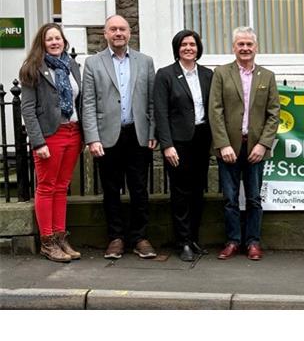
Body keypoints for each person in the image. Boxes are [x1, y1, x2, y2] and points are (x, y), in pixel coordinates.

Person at [82, 15, 157, 260]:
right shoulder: (93, 63)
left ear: (129, 33)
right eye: (113, 29)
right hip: (107, 136)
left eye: (122, 29)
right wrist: (92, 138)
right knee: (111, 189)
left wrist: (153, 131)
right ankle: (116, 238)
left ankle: (139, 237)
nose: (118, 33)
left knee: (139, 189)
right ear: (105, 33)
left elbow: (152, 101)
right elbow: (89, 103)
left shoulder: (145, 62)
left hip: (138, 134)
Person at [209, 26, 280, 261]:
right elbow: (215, 111)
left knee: (253, 198)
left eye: (249, 44)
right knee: (229, 198)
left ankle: (252, 242)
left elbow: (274, 114)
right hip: (229, 147)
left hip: (255, 148)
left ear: (256, 47)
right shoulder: (221, 73)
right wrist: (223, 144)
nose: (245, 48)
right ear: (233, 47)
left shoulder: (267, 76)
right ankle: (232, 241)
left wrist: (263, 145)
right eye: (241, 44)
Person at [19, 23, 83, 263]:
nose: (55, 42)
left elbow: (80, 101)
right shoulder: (33, 68)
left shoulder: (71, 65)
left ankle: (59, 236)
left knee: (61, 186)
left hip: (73, 132)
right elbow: (27, 109)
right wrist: (38, 142)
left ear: (64, 42)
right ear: (42, 43)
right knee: (47, 186)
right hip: (50, 136)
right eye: (50, 39)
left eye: (58, 38)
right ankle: (47, 242)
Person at [154, 30, 213, 262]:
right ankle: (183, 241)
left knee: (198, 191)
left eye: (193, 44)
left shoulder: (208, 75)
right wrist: (167, 145)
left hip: (201, 139)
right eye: (184, 44)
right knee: (180, 193)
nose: (189, 48)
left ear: (198, 48)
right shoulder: (166, 75)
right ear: (177, 48)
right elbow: (160, 112)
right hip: (178, 142)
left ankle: (194, 238)